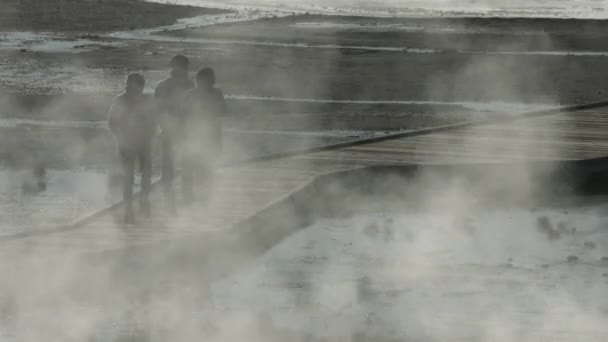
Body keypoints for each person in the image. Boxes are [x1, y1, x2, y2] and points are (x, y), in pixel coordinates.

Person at [108, 73, 156, 223]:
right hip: (126, 143)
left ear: (141, 87)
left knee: (146, 175)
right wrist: (121, 139)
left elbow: (153, 122)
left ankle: (144, 202)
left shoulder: (146, 101)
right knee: (127, 178)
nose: (129, 87)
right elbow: (112, 123)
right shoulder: (120, 100)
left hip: (143, 143)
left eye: (134, 85)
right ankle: (128, 209)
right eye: (128, 84)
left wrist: (149, 136)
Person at [154, 55, 194, 213]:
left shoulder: (189, 85)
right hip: (174, 129)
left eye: (185, 66)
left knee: (181, 163)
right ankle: (176, 197)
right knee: (174, 164)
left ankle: (180, 196)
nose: (185, 69)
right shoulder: (167, 85)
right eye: (183, 66)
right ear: (175, 67)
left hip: (180, 129)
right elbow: (157, 109)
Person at [181, 67, 226, 203]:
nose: (212, 82)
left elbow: (222, 111)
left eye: (213, 80)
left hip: (210, 136)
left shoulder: (217, 94)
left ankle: (204, 197)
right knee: (190, 168)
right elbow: (183, 115)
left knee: (206, 168)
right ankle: (189, 197)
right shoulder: (191, 95)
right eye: (210, 79)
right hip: (193, 136)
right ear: (200, 80)